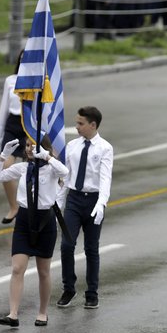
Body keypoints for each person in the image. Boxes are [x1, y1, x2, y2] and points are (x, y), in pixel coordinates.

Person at [0, 136, 69, 327]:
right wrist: (3, 156)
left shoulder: (51, 169)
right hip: (24, 220)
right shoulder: (23, 169)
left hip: (45, 221)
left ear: (44, 147)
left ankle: (42, 312)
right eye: (27, 146)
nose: (29, 149)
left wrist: (48, 157)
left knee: (43, 271)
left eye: (33, 146)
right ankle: (13, 314)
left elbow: (64, 172)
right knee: (17, 268)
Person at [57, 107, 114, 310]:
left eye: (81, 123)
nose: (77, 126)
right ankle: (69, 288)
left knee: (91, 248)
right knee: (66, 246)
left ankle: (92, 293)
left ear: (93, 125)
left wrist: (101, 203)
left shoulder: (105, 148)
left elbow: (106, 178)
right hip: (74, 199)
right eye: (77, 122)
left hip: (93, 200)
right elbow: (66, 175)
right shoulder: (72, 146)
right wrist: (59, 201)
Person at [0, 51, 26, 223]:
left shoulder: (41, 81)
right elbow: (4, 108)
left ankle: (33, 209)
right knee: (6, 166)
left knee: (32, 172)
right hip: (13, 125)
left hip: (30, 126)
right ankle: (14, 207)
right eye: (21, 58)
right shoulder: (10, 80)